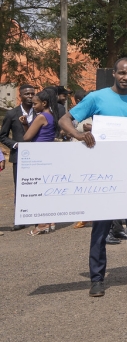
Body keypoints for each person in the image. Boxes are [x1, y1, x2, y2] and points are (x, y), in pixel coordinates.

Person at [59, 58, 127, 297]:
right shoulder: (97, 97)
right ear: (114, 73)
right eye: (122, 73)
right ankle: (97, 278)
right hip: (103, 171)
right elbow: (64, 120)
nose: (126, 77)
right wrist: (78, 136)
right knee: (101, 228)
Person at [23, 88, 60, 235]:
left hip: (38, 156)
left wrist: (25, 126)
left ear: (44, 103)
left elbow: (27, 137)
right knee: (47, 189)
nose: (33, 106)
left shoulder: (41, 117)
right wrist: (26, 124)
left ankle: (42, 224)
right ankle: (50, 220)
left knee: (38, 191)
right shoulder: (51, 115)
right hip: (48, 154)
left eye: (35, 104)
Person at [1, 83, 35, 231]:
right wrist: (15, 145)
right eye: (27, 94)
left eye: (32, 93)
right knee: (20, 187)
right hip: (19, 157)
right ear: (20, 95)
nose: (30, 96)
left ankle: (36, 216)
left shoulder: (39, 112)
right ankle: (20, 218)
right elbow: (2, 136)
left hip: (38, 157)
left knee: (37, 186)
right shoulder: (12, 114)